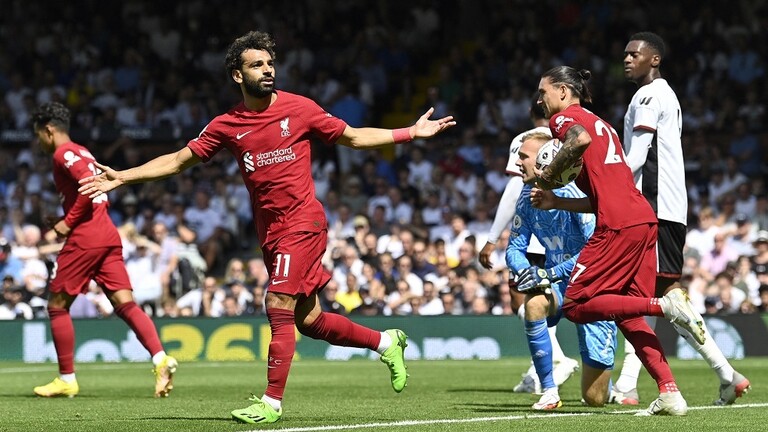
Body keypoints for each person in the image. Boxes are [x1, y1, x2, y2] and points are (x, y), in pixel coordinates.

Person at [78, 30, 455, 424]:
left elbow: (354, 137)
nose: (267, 70)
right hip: (271, 234)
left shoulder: (300, 108)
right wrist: (123, 176)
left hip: (304, 223)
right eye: (257, 65)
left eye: (270, 63)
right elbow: (177, 160)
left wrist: (409, 133)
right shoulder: (226, 125)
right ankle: (386, 341)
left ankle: (271, 403)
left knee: (277, 303)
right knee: (310, 322)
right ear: (237, 75)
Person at [531, 65, 706, 416]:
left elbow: (577, 141)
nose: (539, 100)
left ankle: (664, 307)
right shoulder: (604, 126)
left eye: (543, 92)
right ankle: (670, 392)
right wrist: (556, 201)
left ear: (563, 91)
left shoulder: (564, 120)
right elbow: (602, 195)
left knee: (574, 304)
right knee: (629, 315)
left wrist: (548, 174)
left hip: (617, 226)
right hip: (642, 219)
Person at [613, 31, 750, 407]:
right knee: (656, 296)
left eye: (634, 54)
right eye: (625, 54)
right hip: (667, 208)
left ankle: (629, 384)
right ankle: (725, 376)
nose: (627, 59)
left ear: (654, 59)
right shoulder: (665, 95)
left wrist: (605, 186)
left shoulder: (647, 96)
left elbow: (637, 156)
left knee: (638, 297)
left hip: (652, 208)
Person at [29, 102, 178, 398]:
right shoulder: (83, 151)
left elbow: (90, 185)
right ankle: (161, 359)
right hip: (107, 232)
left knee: (57, 305)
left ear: (48, 130)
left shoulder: (63, 153)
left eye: (38, 135)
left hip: (86, 236)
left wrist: (68, 223)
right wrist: (63, 217)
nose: (39, 142)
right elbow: (94, 190)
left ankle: (66, 379)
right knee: (125, 303)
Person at [507, 131, 617, 410]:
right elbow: (514, 248)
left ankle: (608, 383)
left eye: (523, 156)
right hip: (559, 285)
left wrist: (549, 273)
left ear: (545, 161)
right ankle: (549, 390)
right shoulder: (526, 197)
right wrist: (526, 271)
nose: (517, 162)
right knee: (533, 304)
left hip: (593, 286)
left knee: (594, 399)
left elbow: (594, 250)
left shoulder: (576, 195)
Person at [477, 93, 578, 393]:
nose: (520, 162)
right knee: (537, 300)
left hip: (543, 243)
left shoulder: (526, 141)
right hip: (547, 243)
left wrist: (492, 238)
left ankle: (556, 359)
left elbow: (514, 190)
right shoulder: (565, 140)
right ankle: (544, 368)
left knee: (524, 299)